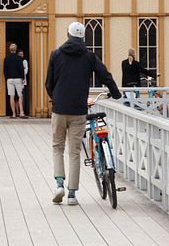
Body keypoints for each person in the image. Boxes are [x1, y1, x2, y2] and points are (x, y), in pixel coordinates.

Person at [45, 21, 121, 205]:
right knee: (75, 152)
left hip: (59, 108)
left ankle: (59, 184)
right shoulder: (88, 56)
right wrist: (116, 92)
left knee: (57, 147)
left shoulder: (56, 54)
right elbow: (105, 75)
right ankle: (72, 194)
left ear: (68, 34)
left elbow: (49, 83)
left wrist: (55, 97)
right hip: (79, 110)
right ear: (83, 37)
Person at [4, 43, 27, 118]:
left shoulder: (6, 58)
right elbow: (21, 69)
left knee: (12, 97)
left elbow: (5, 70)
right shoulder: (19, 58)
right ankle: (21, 113)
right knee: (20, 96)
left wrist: (7, 78)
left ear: (9, 49)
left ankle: (13, 114)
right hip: (18, 79)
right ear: (16, 49)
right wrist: (23, 78)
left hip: (10, 79)